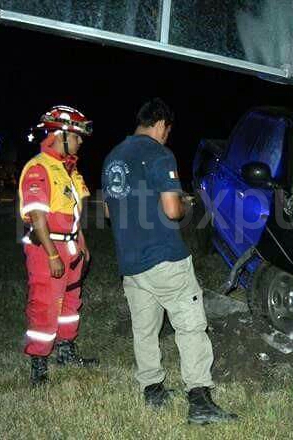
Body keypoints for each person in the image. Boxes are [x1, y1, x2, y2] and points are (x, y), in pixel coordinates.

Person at [102, 99, 236, 425]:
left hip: (131, 263)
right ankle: (200, 400)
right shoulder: (160, 154)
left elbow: (109, 211)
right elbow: (173, 211)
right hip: (164, 258)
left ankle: (152, 390)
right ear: (161, 124)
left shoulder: (112, 158)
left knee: (144, 329)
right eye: (168, 131)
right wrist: (184, 202)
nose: (167, 137)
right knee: (190, 325)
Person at [19, 105, 98, 386]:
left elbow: (74, 213)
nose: (79, 143)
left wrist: (81, 242)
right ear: (61, 134)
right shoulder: (40, 168)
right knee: (45, 304)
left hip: (71, 247)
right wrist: (52, 254)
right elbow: (38, 215)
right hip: (46, 248)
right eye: (76, 137)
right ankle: (39, 365)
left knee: (72, 301)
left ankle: (66, 352)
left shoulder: (69, 170)